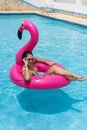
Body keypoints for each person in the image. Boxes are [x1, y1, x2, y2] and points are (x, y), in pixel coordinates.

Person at [22, 51, 87, 82]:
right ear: (25, 59)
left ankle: (77, 78)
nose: (31, 61)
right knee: (54, 69)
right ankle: (78, 77)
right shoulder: (25, 69)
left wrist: (48, 63)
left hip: (42, 76)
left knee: (55, 70)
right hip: (39, 81)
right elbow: (27, 79)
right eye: (29, 59)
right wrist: (25, 65)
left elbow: (37, 59)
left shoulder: (32, 61)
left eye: (31, 59)